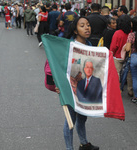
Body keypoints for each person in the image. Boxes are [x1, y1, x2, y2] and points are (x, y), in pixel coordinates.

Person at [55, 17, 99, 150]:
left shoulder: (90, 45)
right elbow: (56, 66)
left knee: (82, 117)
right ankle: (69, 148)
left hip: (85, 89)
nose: (87, 28)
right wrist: (58, 85)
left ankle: (84, 143)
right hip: (70, 89)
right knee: (70, 121)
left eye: (88, 25)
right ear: (75, 30)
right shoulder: (68, 46)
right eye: (82, 25)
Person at [110, 15, 131, 81]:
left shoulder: (117, 33)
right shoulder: (131, 32)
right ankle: (130, 90)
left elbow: (113, 47)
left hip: (117, 57)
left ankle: (118, 89)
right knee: (129, 75)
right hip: (128, 57)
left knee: (117, 74)